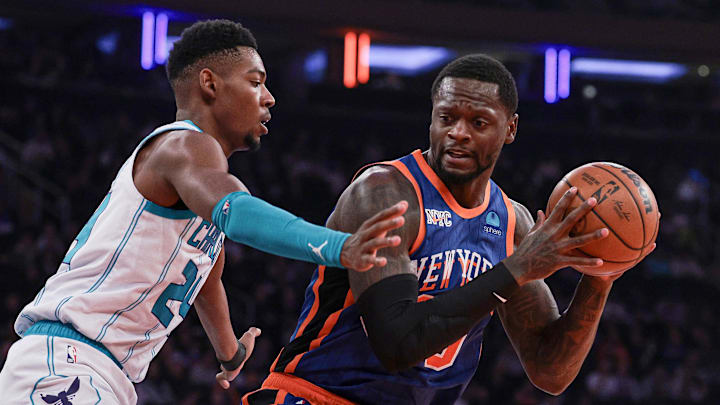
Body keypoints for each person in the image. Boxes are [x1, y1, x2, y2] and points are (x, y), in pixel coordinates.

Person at [0, 19, 407, 404]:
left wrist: (229, 352)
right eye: (256, 82)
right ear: (209, 84)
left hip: (103, 374)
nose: (269, 97)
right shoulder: (185, 146)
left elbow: (206, 280)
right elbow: (239, 213)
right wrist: (340, 246)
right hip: (66, 359)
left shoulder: (198, 191)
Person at [242, 54, 656, 404]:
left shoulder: (511, 224)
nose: (458, 133)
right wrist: (516, 270)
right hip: (316, 396)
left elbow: (550, 372)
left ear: (509, 129)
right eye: (447, 118)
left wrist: (601, 277)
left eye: (478, 122)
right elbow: (397, 345)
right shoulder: (385, 195)